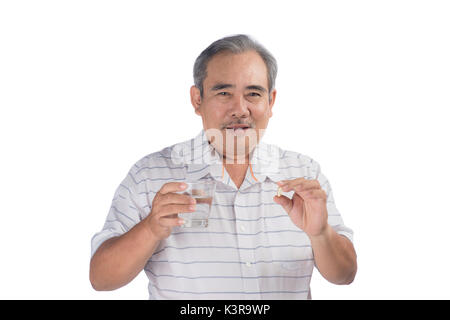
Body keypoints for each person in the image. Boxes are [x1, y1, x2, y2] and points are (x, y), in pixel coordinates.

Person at [89, 34, 357, 299]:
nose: (240, 109)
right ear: (197, 100)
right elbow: (101, 278)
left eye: (253, 93)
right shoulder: (149, 175)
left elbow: (345, 275)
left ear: (270, 101)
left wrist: (321, 234)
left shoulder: (304, 173)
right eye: (224, 92)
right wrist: (150, 229)